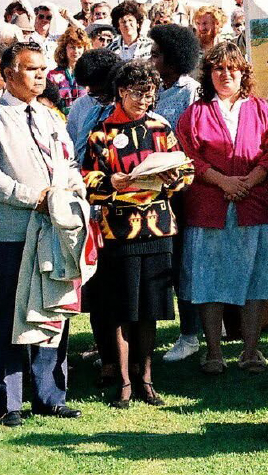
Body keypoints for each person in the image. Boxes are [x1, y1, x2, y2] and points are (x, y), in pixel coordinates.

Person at [0, 42, 84, 426]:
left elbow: (69, 162)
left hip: (54, 229)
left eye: (43, 69)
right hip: (8, 232)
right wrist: (33, 197)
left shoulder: (51, 117)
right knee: (7, 312)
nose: (41, 75)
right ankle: (8, 402)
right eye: (31, 69)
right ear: (8, 75)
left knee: (53, 310)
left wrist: (72, 190)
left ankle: (50, 395)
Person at [81, 60, 192, 408]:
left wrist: (175, 180)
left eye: (150, 94)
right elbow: (87, 180)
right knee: (122, 309)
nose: (144, 100)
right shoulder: (101, 134)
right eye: (137, 93)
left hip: (158, 227)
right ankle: (125, 383)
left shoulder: (161, 128)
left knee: (151, 308)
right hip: (119, 232)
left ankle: (146, 379)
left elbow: (185, 172)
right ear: (120, 91)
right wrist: (111, 182)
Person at [176, 42, 268, 374]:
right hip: (210, 206)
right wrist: (223, 182)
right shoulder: (195, 113)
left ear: (244, 73)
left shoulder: (263, 110)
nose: (226, 74)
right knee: (209, 280)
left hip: (253, 204)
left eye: (233, 68)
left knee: (254, 280)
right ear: (209, 74)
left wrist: (249, 181)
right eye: (218, 68)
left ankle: (251, 351)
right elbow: (187, 154)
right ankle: (213, 352)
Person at [147, 24, 204, 363]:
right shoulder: (153, 90)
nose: (152, 61)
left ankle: (190, 333)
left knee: (184, 260)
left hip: (183, 189)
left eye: (157, 55)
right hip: (153, 190)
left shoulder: (190, 92)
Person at [47, 26, 89, 113]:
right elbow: (48, 103)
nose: (76, 51)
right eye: (72, 47)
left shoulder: (90, 74)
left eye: (79, 47)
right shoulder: (53, 75)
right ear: (64, 48)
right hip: (59, 121)